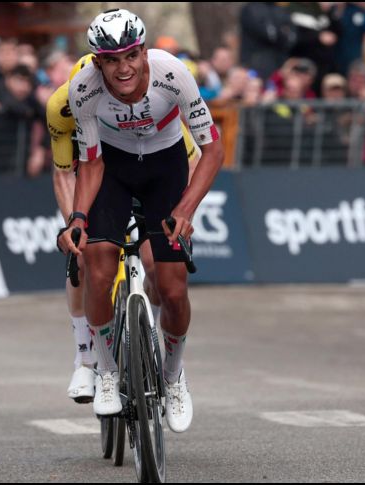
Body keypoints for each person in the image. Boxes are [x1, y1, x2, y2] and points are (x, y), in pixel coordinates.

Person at [58, 9, 224, 432]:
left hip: (165, 167)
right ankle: (108, 372)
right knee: (97, 264)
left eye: (131, 55)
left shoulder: (173, 74)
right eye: (111, 60)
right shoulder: (84, 90)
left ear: (144, 51)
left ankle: (173, 377)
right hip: (111, 169)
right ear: (98, 63)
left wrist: (185, 209)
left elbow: (213, 150)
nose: (123, 67)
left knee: (170, 285)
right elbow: (90, 164)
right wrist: (78, 217)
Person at [47, 54, 202, 404]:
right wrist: (75, 223)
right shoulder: (63, 106)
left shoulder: (151, 97)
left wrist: (183, 213)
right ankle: (85, 358)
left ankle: (152, 331)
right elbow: (63, 172)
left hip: (150, 168)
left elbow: (189, 161)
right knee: (84, 261)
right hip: (95, 167)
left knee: (156, 268)